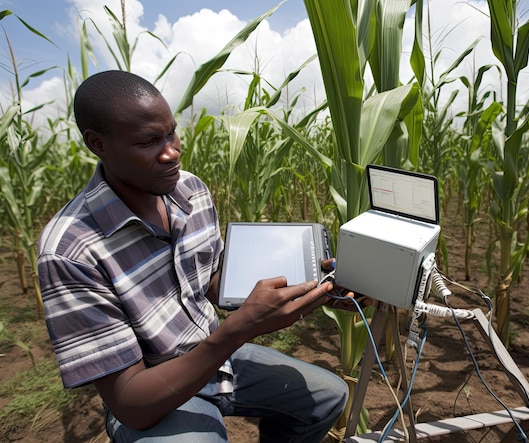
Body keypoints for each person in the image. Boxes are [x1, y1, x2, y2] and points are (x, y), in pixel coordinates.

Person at [37, 70, 349, 443]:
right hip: (153, 386)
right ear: (98, 144)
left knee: (328, 395)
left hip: (217, 353)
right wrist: (242, 329)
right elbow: (129, 402)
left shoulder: (191, 190)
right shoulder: (71, 251)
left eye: (170, 133)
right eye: (150, 141)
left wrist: (312, 288)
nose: (172, 152)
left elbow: (214, 280)